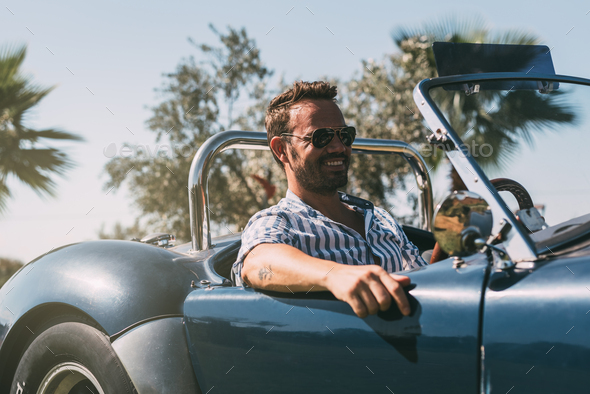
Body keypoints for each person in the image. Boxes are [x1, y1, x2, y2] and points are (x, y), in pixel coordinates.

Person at [231, 81, 427, 318]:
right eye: (321, 137)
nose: (338, 147)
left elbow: (423, 278)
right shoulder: (279, 221)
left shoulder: (379, 218)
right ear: (282, 149)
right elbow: (257, 263)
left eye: (345, 135)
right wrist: (335, 275)